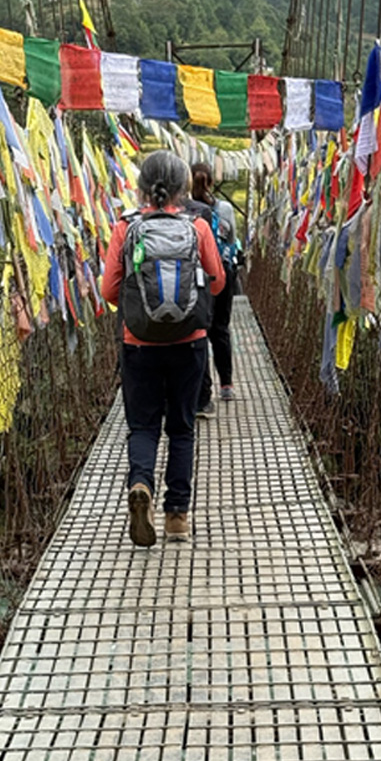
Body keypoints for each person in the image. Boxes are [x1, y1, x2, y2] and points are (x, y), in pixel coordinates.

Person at [100, 150, 225, 546]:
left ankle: (141, 485)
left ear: (142, 186)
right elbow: (218, 283)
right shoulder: (199, 226)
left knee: (143, 425)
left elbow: (108, 291)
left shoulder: (126, 227)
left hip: (138, 343)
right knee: (182, 428)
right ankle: (177, 517)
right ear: (183, 187)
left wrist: (141, 309)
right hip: (189, 343)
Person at [191, 161, 240, 417]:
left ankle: (202, 392)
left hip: (195, 277)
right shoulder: (225, 208)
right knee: (220, 328)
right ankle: (227, 385)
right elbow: (232, 240)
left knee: (198, 330)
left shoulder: (187, 210)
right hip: (222, 272)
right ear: (211, 181)